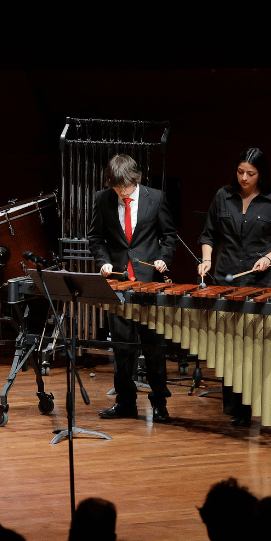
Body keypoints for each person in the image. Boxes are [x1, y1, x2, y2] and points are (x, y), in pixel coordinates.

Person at [198, 148, 271, 426]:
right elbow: (208, 234)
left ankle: (267, 406)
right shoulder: (222, 196)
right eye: (240, 172)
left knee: (260, 347)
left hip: (262, 283)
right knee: (232, 346)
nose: (244, 178)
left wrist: (268, 258)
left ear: (260, 174)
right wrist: (206, 260)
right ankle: (237, 410)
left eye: (250, 174)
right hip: (226, 278)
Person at [88, 154, 176, 423]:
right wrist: (103, 262)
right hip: (118, 284)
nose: (121, 192)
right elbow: (95, 237)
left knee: (154, 348)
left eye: (125, 187)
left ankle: (159, 403)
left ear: (135, 180)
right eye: (116, 188)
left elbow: (170, 236)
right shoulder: (102, 200)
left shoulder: (156, 198)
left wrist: (163, 258)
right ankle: (125, 402)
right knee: (123, 348)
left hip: (149, 283)